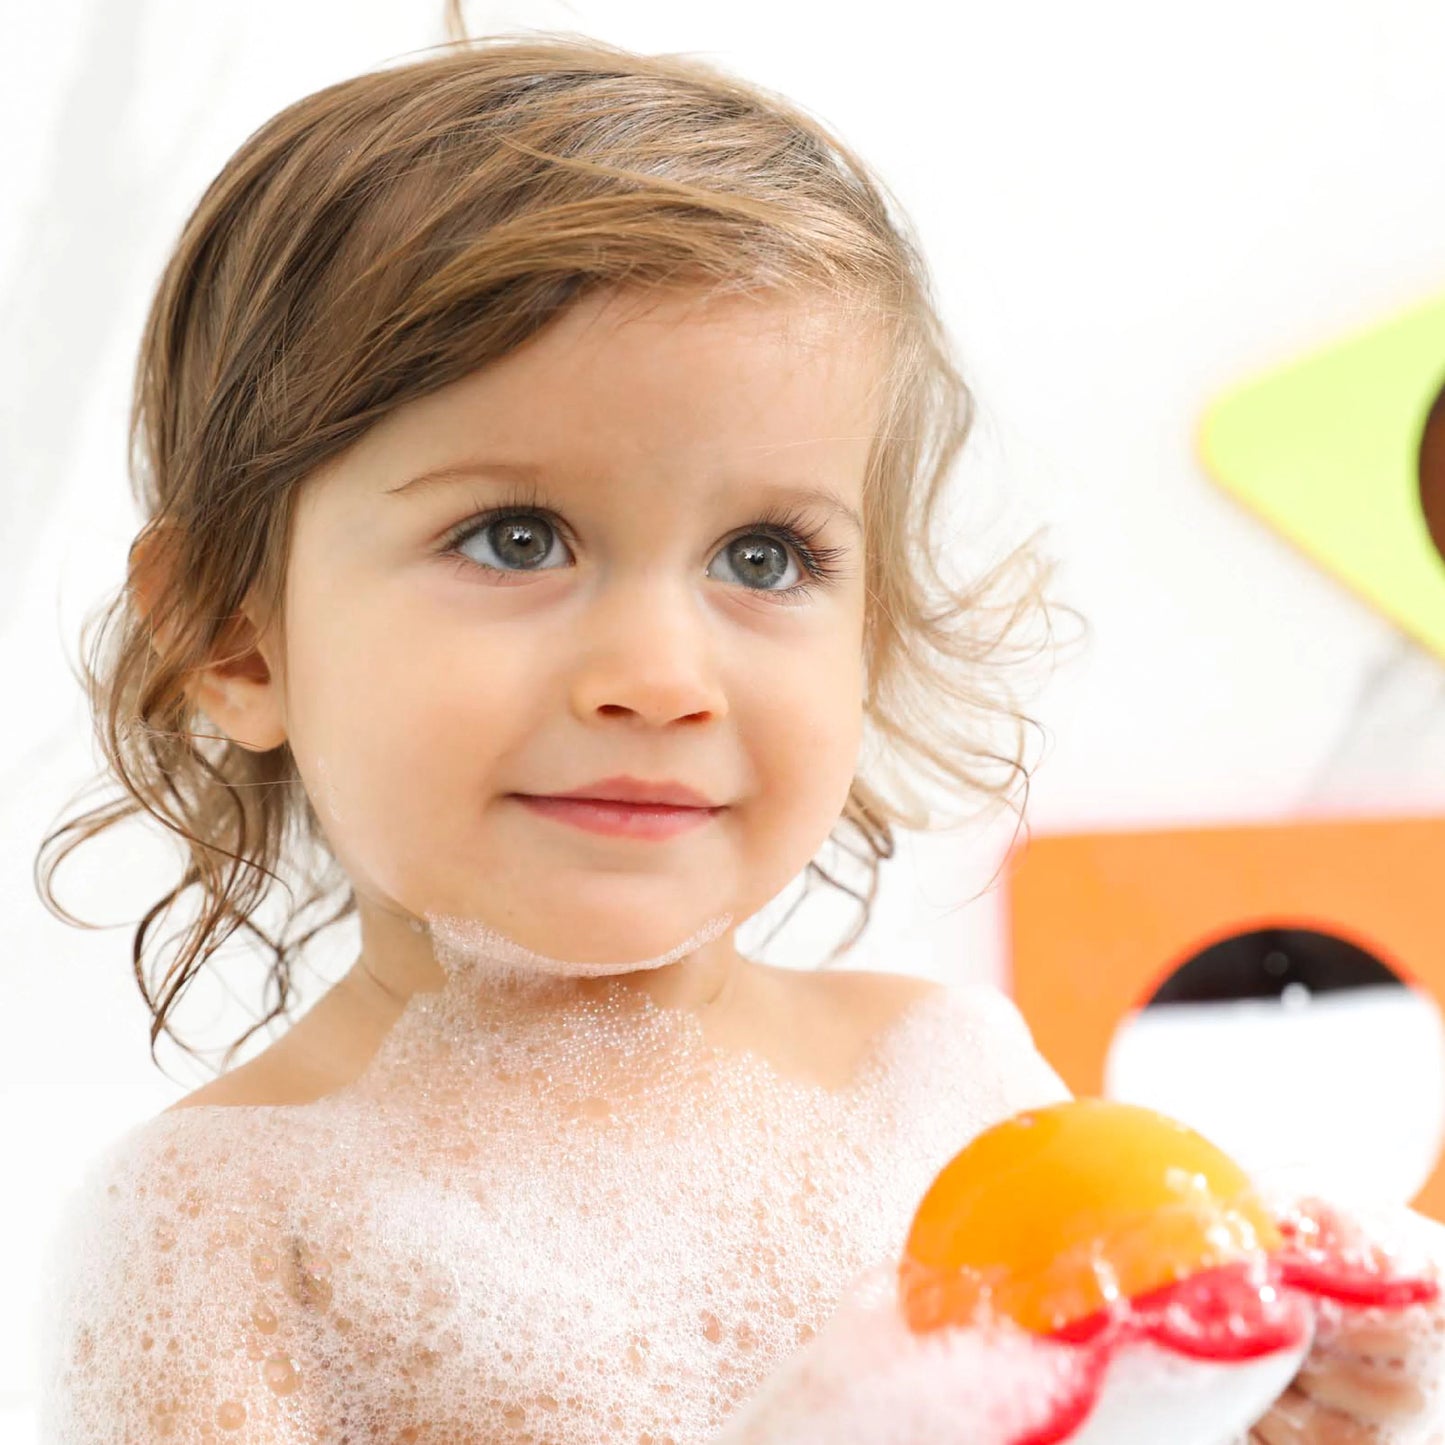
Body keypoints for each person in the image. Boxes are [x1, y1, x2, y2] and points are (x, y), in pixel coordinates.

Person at [30, 19, 1443, 1445]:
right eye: (515, 537)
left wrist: (1285, 1415)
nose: (659, 676)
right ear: (234, 630)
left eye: (763, 556)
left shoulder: (939, 1081)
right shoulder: (221, 1229)